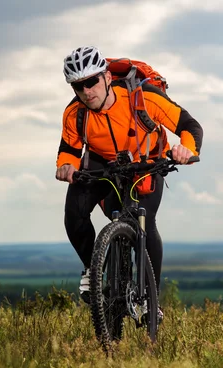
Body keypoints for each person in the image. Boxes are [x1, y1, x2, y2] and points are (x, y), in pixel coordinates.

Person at [55, 46, 203, 314]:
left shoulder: (143, 98)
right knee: (74, 213)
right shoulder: (75, 113)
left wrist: (187, 149)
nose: (87, 91)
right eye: (78, 87)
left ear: (107, 78)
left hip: (146, 159)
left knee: (142, 221)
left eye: (91, 82)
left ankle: (151, 300)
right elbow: (70, 149)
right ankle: (94, 269)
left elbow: (189, 125)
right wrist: (66, 166)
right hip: (103, 163)